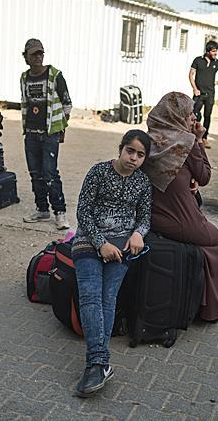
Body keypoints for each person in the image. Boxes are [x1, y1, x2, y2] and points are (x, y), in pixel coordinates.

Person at [73, 129, 153, 397]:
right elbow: (83, 211)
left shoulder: (142, 182)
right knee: (90, 296)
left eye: (140, 155)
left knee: (108, 299)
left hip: (122, 247)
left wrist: (138, 234)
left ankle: (98, 365)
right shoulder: (98, 172)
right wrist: (101, 244)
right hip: (89, 241)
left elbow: (145, 217)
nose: (134, 158)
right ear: (121, 149)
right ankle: (98, 363)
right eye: (130, 151)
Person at [144, 92, 218, 322]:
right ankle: (212, 309)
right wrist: (199, 139)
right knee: (216, 241)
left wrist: (190, 177)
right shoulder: (185, 142)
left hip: (151, 217)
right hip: (180, 219)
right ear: (177, 115)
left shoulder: (148, 140)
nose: (194, 118)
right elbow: (205, 176)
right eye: (190, 113)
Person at [19, 38, 72, 230]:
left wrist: (61, 128)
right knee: (35, 173)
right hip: (31, 133)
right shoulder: (24, 78)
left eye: (40, 53)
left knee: (50, 173)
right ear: (26, 57)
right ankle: (42, 209)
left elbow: (67, 104)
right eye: (34, 54)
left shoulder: (55, 75)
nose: (38, 57)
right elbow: (25, 103)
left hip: (49, 133)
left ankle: (60, 213)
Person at [188, 41, 218, 149]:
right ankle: (193, 136)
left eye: (216, 51)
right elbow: (191, 74)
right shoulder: (198, 60)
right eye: (213, 51)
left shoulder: (217, 63)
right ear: (208, 51)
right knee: (194, 115)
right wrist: (195, 88)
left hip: (210, 94)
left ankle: (204, 138)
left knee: (207, 116)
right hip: (199, 94)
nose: (215, 53)